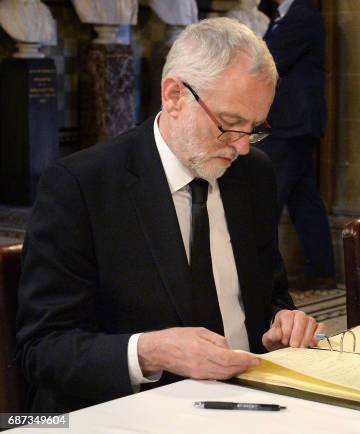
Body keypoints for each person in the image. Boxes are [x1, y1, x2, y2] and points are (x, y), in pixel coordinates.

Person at [15, 17, 324, 414]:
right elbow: (41, 349)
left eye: (254, 128)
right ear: (174, 95)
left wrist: (282, 320)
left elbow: (269, 294)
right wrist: (149, 351)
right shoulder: (83, 186)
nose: (242, 148)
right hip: (130, 412)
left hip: (251, 404)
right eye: (229, 125)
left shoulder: (254, 174)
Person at [258, 0, 335, 289]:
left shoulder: (303, 14)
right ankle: (322, 270)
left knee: (269, 197)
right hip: (291, 124)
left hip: (293, 124)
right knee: (304, 201)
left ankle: (261, 277)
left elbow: (271, 61)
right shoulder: (281, 16)